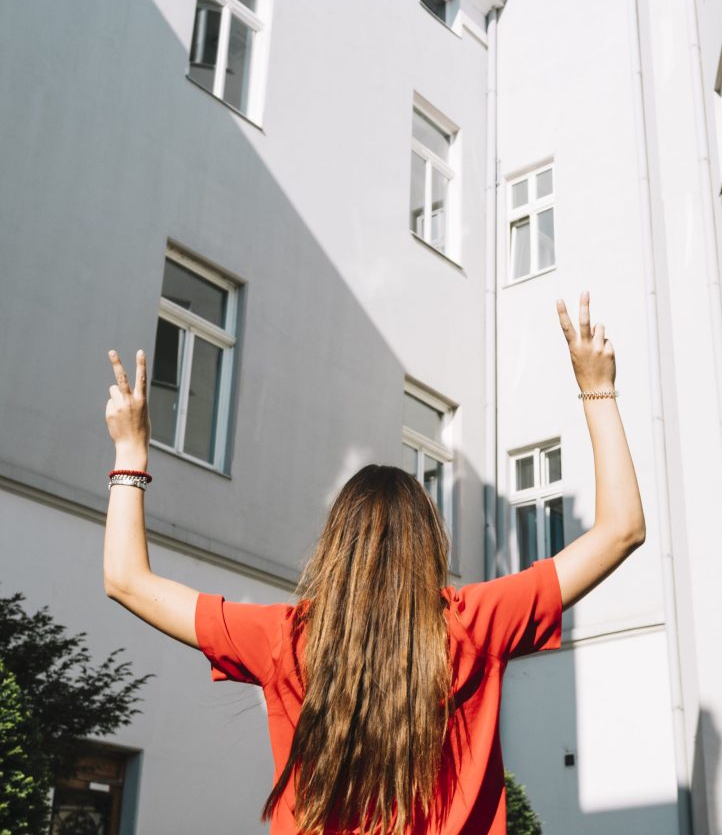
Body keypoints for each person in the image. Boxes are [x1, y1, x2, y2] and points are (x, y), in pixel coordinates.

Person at [103, 290, 645, 835]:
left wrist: (131, 454)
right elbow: (622, 530)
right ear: (428, 545)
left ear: (337, 546)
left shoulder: (285, 638)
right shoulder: (473, 623)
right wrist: (597, 388)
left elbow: (126, 581)